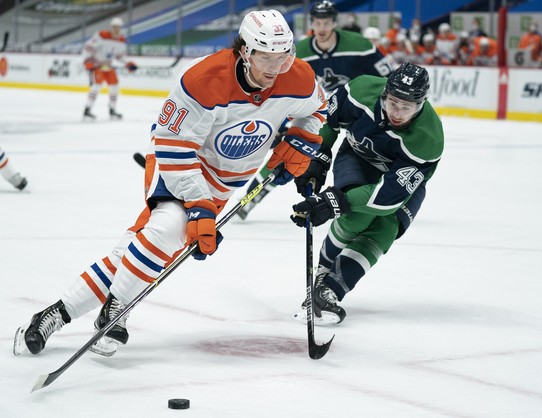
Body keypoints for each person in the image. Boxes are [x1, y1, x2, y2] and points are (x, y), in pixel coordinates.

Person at [13, 9, 327, 357]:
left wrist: (303, 141)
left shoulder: (296, 77)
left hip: (226, 182)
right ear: (244, 51)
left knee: (135, 252)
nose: (274, 68)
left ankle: (54, 315)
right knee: (167, 230)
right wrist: (199, 207)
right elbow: (174, 147)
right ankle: (116, 310)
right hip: (176, 163)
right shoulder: (203, 79)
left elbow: (317, 109)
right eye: (266, 57)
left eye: (283, 57)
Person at [290, 63, 444, 324]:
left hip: (398, 182)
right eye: (393, 102)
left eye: (407, 108)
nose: (397, 112)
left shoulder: (427, 139)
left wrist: (332, 203)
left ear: (421, 105)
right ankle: (322, 273)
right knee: (355, 219)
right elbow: (328, 119)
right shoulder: (359, 91)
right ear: (384, 93)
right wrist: (319, 154)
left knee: (385, 230)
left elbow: (387, 196)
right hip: (358, 158)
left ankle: (330, 289)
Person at [237, 0, 393, 220]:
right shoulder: (299, 51)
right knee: (290, 152)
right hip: (318, 114)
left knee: (376, 150)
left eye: (326, 22)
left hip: (356, 112)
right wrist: (282, 124)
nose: (321, 28)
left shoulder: (360, 45)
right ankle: (252, 196)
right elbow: (284, 89)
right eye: (317, 22)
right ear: (311, 23)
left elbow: (388, 77)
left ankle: (381, 198)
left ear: (334, 23)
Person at [82, 17, 138, 120]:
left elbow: (120, 56)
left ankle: (112, 110)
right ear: (111, 27)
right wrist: (87, 61)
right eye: (115, 27)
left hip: (108, 66)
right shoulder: (101, 36)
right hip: (97, 65)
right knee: (96, 87)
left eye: (118, 27)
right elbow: (88, 48)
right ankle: (87, 110)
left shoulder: (121, 40)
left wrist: (128, 63)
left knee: (114, 87)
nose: (116, 29)